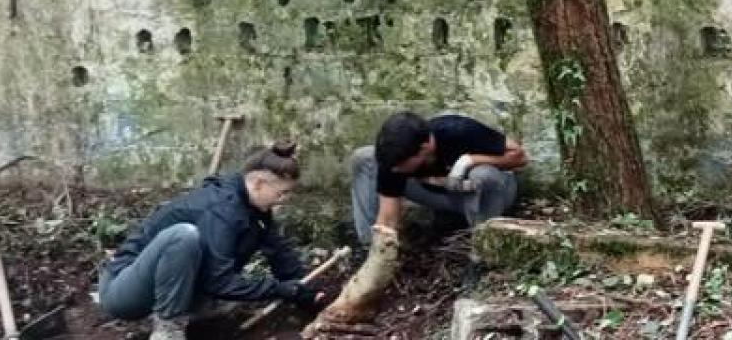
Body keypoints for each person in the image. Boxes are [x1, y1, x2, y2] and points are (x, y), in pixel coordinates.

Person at [97, 142, 325, 339]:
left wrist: (304, 290)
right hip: (123, 292)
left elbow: (278, 249)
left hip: (172, 288)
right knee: (183, 236)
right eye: (281, 193)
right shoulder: (221, 209)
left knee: (230, 298)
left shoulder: (253, 206)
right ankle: (168, 330)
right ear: (258, 184)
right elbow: (220, 282)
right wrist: (280, 289)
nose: (284, 200)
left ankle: (195, 311)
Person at [348, 111, 526, 246]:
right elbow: (388, 214)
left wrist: (469, 160)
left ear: (426, 147)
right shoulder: (396, 158)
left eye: (403, 163)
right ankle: (369, 251)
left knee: (483, 174)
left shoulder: (458, 130)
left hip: (493, 195)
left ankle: (484, 247)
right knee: (364, 157)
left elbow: (520, 157)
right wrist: (383, 244)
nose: (398, 169)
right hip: (443, 196)